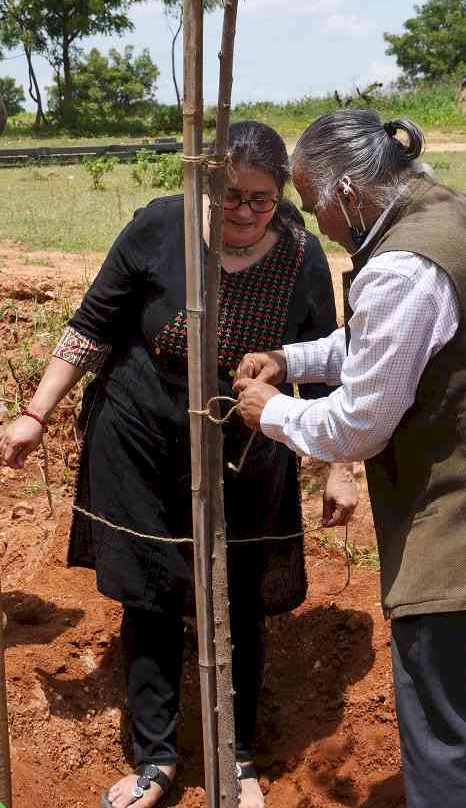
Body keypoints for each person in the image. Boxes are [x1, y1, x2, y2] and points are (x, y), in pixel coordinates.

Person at [234, 108, 466, 808]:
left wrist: (271, 412)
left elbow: (361, 422)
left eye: (312, 207)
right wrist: (292, 358)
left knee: (448, 741)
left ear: (346, 193)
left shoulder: (403, 264)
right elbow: (391, 344)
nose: (316, 225)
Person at [0, 120, 357, 808]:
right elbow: (91, 327)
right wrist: (35, 415)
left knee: (240, 598)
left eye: (261, 199)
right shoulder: (159, 228)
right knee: (152, 597)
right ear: (200, 186)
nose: (245, 214)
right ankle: (156, 758)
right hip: (141, 433)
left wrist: (337, 466)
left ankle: (238, 754)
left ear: (282, 195)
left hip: (248, 444)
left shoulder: (301, 256)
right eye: (229, 198)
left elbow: (322, 366)